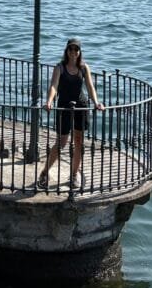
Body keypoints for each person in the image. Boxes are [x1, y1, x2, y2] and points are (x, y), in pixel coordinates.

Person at [36, 37, 104, 189]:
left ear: (79, 52)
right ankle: (45, 172)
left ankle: (74, 174)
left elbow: (90, 87)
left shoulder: (84, 68)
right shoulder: (60, 67)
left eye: (76, 49)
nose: (73, 52)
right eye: (70, 49)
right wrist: (49, 101)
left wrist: (96, 103)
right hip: (64, 106)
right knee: (61, 142)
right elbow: (54, 86)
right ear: (66, 51)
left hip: (81, 106)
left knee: (79, 141)